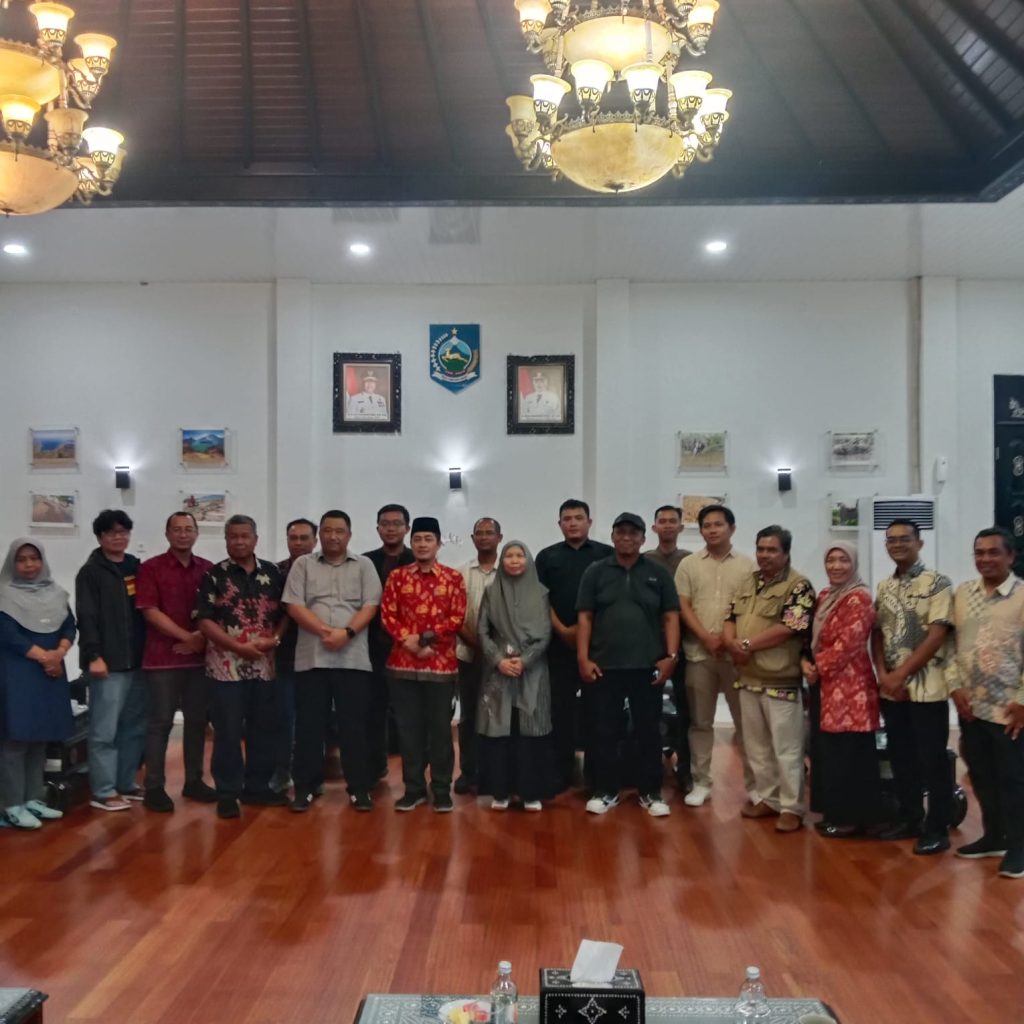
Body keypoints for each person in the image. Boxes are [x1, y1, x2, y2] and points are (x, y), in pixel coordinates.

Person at [577, 513, 680, 817]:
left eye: (633, 534)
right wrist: (583, 658)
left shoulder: (657, 573)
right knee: (604, 731)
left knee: (649, 731)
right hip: (604, 666)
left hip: (647, 666)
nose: (626, 538)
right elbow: (585, 617)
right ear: (612, 536)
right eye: (621, 532)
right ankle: (606, 791)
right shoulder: (595, 572)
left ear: (642, 539)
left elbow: (671, 616)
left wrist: (670, 657)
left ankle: (651, 792)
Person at [284, 510, 382, 813]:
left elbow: (371, 604)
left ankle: (359, 788)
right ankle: (306, 786)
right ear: (320, 535)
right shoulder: (303, 564)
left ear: (349, 534)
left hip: (353, 658)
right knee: (310, 726)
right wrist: (327, 631)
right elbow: (294, 605)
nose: (333, 536)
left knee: (354, 725)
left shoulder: (364, 565)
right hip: (312, 657)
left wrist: (347, 633)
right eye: (327, 531)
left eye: (339, 531)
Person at [196, 515, 289, 819]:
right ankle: (227, 791)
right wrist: (237, 647)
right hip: (226, 668)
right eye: (233, 536)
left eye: (244, 536)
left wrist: (274, 639)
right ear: (226, 540)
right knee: (228, 731)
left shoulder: (274, 573)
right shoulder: (214, 575)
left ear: (256, 539)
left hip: (265, 666)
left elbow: (288, 613)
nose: (239, 541)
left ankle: (258, 787)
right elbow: (204, 619)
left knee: (264, 729)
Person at [871, 518, 955, 855]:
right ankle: (910, 818)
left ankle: (938, 828)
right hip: (892, 689)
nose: (897, 544)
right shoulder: (883, 587)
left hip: (926, 688)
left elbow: (937, 635)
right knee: (901, 755)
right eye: (891, 540)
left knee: (932, 759)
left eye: (905, 539)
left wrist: (900, 673)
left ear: (919, 543)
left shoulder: (937, 583)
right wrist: (882, 674)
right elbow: (877, 633)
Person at [724, 525, 815, 833]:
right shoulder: (748, 581)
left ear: (786, 553)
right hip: (747, 676)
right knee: (756, 746)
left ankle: (792, 806)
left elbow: (791, 626)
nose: (765, 555)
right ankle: (768, 799)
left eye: (772, 550)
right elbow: (730, 617)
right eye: (761, 549)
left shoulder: (799, 586)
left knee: (786, 748)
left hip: (781, 679)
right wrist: (731, 642)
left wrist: (747, 644)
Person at [947, 527, 1024, 879]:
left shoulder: (1022, 596)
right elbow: (949, 646)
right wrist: (954, 686)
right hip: (971, 708)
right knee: (981, 776)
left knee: (1014, 781)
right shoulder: (963, 594)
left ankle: (1020, 848)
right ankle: (994, 836)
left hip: (1010, 711)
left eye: (994, 552)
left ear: (1011, 556)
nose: (985, 559)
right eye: (979, 552)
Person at [379, 516, 467, 812]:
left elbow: (456, 617)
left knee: (441, 732)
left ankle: (442, 789)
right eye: (417, 539)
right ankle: (413, 788)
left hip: (440, 667)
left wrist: (425, 640)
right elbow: (387, 614)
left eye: (428, 539)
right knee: (409, 730)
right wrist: (410, 642)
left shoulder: (453, 578)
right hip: (402, 666)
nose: (422, 544)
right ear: (411, 542)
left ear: (439, 544)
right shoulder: (398, 577)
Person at [674, 504, 756, 808]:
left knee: (745, 723)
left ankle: (754, 786)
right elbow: (683, 606)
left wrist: (729, 639)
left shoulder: (749, 566)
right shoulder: (689, 565)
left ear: (731, 528)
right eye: (706, 525)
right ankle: (701, 782)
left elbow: (752, 609)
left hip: (737, 656)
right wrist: (706, 637)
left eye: (718, 524)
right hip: (698, 653)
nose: (712, 529)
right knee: (700, 722)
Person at [800, 542, 883, 837]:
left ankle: (854, 818)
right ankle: (833, 811)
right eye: (831, 560)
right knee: (828, 752)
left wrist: (815, 667)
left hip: (851, 688)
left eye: (843, 560)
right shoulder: (825, 595)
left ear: (854, 564)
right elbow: (811, 637)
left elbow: (848, 644)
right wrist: (805, 663)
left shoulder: (858, 598)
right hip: (825, 685)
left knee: (850, 754)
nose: (836, 566)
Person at [135, 511, 216, 813]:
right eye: (177, 530)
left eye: (188, 529)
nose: (183, 534)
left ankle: (194, 780)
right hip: (161, 659)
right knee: (160, 723)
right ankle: (154, 786)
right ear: (167, 534)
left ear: (196, 533)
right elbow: (149, 610)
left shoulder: (207, 570)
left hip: (199, 660)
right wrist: (188, 636)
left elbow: (216, 613)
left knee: (197, 721)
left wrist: (200, 638)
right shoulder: (150, 568)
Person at [535, 499, 613, 791]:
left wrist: (581, 632)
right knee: (559, 713)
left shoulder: (606, 555)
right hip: (557, 646)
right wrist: (563, 630)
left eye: (578, 518)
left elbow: (609, 600)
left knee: (599, 713)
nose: (572, 523)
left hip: (598, 648)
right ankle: (560, 774)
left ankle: (596, 777)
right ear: (559, 524)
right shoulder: (546, 557)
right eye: (566, 518)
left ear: (589, 522)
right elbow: (539, 598)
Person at [76, 509, 148, 812]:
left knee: (133, 727)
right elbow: (87, 617)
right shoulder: (91, 572)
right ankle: (103, 790)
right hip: (107, 663)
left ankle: (125, 782)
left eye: (123, 531)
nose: (118, 537)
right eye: (111, 533)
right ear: (99, 537)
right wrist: (94, 655)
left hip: (139, 662)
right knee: (104, 730)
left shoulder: (136, 567)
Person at [0, 539, 74, 829]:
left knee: (39, 738)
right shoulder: (4, 595)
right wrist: (46, 657)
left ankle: (33, 798)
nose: (29, 565)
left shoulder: (56, 592)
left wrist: (59, 653)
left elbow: (70, 625)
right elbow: (7, 635)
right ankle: (11, 805)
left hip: (49, 672)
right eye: (22, 560)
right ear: (12, 564)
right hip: (17, 673)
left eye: (34, 558)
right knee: (15, 740)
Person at [476, 541, 555, 810]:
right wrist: (499, 661)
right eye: (509, 555)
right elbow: (482, 632)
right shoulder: (490, 592)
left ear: (528, 560)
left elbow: (545, 634)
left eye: (520, 555)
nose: (514, 560)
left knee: (530, 733)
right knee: (501, 733)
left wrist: (524, 661)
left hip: (532, 672)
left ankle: (531, 793)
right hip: (498, 674)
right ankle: (500, 793)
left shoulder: (542, 593)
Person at [364, 504, 415, 781]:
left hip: (410, 648)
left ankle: (415, 777)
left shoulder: (416, 559)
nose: (391, 528)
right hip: (371, 648)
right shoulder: (365, 561)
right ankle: (374, 768)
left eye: (397, 523)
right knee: (373, 710)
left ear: (407, 528)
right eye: (385, 523)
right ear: (377, 528)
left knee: (410, 714)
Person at [643, 505, 692, 791]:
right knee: (647, 711)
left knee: (686, 711)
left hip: (684, 646)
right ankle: (649, 769)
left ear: (681, 527)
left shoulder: (690, 560)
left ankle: (685, 769)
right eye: (662, 521)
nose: (668, 525)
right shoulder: (644, 560)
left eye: (673, 521)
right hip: (650, 645)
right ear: (654, 528)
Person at [454, 517, 502, 795]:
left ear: (499, 537)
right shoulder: (460, 574)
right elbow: (456, 616)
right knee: (470, 716)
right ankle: (468, 772)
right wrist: (479, 646)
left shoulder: (509, 571)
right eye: (479, 533)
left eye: (489, 533)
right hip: (468, 654)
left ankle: (495, 773)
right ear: (473, 539)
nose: (484, 537)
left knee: (498, 716)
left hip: (503, 659)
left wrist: (495, 652)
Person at [272, 517, 318, 792]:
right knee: (283, 718)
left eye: (304, 538)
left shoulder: (325, 571)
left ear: (315, 541)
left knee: (313, 719)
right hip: (285, 658)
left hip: (318, 655)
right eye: (293, 538)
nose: (298, 543)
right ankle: (280, 773)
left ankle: (312, 776)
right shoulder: (274, 573)